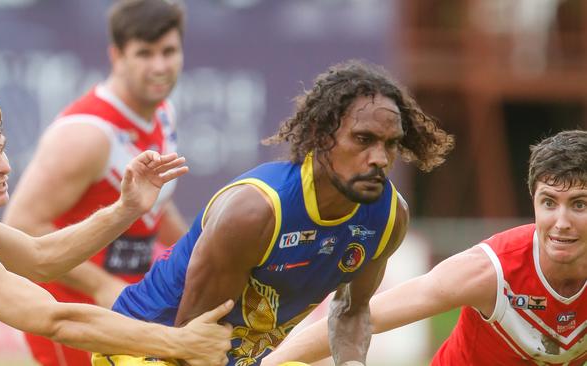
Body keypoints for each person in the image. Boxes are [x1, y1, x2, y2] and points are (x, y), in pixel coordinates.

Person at [94, 59, 455, 366]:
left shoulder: (389, 217)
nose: (379, 158)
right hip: (146, 349)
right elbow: (192, 344)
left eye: (391, 144)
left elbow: (352, 310)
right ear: (320, 135)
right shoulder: (256, 212)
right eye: (363, 140)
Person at [0, 82, 233, 366]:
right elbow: (55, 320)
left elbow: (39, 258)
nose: (5, 166)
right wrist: (181, 342)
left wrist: (126, 209)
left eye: (0, 150)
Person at [262, 130, 587, 365]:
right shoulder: (489, 272)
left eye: (579, 205)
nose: (561, 222)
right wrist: (272, 363)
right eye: (548, 203)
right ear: (533, 203)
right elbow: (362, 315)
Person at [3, 0, 189, 364]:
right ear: (117, 55)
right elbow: (21, 227)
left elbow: (155, 209)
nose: (160, 66)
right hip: (68, 313)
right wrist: (101, 285)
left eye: (169, 51)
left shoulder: (164, 113)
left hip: (125, 307)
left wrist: (202, 256)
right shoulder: (87, 135)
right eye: (145, 53)